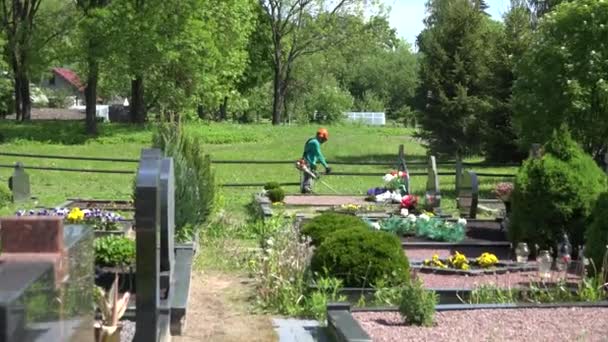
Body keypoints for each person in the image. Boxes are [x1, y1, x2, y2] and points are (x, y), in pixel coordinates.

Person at [301, 128, 332, 193]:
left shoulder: (312, 141)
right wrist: (326, 166)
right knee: (307, 184)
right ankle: (306, 197)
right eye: (323, 140)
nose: (323, 142)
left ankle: (305, 195)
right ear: (321, 137)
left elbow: (314, 154)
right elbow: (319, 155)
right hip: (308, 164)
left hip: (308, 164)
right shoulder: (315, 143)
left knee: (308, 181)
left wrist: (314, 164)